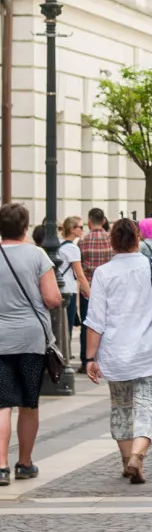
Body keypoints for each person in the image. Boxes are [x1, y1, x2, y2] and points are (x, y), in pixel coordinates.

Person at [83, 218, 152, 484]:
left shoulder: (104, 273)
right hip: (151, 351)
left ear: (112, 242)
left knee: (121, 407)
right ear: (138, 238)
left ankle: (125, 458)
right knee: (147, 405)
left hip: (115, 353)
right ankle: (137, 456)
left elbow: (95, 319)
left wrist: (90, 357)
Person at [0, 203, 62, 485]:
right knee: (28, 403)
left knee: (2, 404)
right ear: (25, 229)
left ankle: (0, 466)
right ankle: (24, 463)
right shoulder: (37, 255)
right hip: (30, 339)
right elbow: (52, 299)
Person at [78, 208, 114, 374]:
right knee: (107, 323)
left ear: (89, 221)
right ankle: (104, 358)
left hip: (89, 288)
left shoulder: (83, 241)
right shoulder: (111, 240)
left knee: (89, 323)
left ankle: (86, 359)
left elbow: (80, 264)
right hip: (109, 288)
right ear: (104, 221)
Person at [57, 217, 87, 346]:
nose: (82, 230)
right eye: (80, 227)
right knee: (67, 327)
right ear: (72, 229)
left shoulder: (58, 243)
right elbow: (80, 275)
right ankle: (64, 360)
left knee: (58, 327)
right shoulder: (72, 249)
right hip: (69, 289)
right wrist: (91, 294)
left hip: (57, 288)